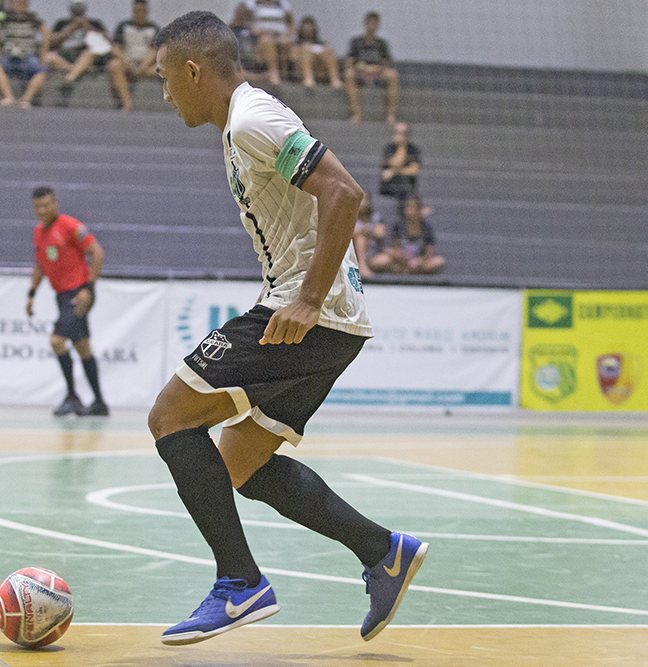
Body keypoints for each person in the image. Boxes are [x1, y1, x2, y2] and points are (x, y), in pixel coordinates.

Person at [151, 11, 427, 646]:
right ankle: (382, 550)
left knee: (171, 418)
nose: (166, 94)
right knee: (243, 462)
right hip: (334, 321)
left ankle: (239, 583)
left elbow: (345, 193)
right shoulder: (244, 122)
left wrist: (304, 300)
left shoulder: (252, 119)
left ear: (194, 72)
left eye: (167, 79)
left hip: (310, 316)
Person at [26, 186, 108, 417]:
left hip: (78, 295)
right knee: (82, 347)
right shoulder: (38, 232)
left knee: (57, 341)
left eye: (46, 205)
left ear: (55, 203)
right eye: (37, 207)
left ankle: (72, 397)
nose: (42, 210)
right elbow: (40, 265)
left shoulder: (70, 226)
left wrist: (88, 288)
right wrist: (31, 293)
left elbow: (97, 252)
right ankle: (99, 403)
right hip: (62, 296)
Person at [44, 1, 113, 107]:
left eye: (80, 12)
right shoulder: (61, 23)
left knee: (89, 53)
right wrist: (70, 29)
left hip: (87, 59)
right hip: (65, 57)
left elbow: (107, 41)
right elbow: (51, 42)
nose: (78, 15)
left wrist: (88, 27)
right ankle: (75, 72)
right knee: (48, 57)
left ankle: (68, 80)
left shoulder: (95, 23)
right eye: (75, 12)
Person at [0, 0, 49, 108]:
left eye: (23, 3)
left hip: (27, 57)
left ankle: (26, 99)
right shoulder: (5, 17)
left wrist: (43, 55)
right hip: (9, 56)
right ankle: (8, 97)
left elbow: (46, 31)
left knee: (42, 68)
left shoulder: (32, 18)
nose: (20, 5)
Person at [345, 11, 399, 124]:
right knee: (349, 74)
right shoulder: (356, 42)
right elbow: (350, 61)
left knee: (393, 74)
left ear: (378, 25)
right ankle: (356, 114)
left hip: (378, 71)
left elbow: (386, 62)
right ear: (364, 23)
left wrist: (376, 69)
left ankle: (391, 115)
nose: (371, 25)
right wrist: (362, 68)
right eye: (369, 22)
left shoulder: (382, 43)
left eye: (374, 23)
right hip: (360, 71)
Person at [108, 0, 160, 113]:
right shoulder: (123, 26)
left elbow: (154, 51)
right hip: (127, 63)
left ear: (147, 12)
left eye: (143, 11)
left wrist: (141, 67)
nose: (140, 14)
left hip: (147, 66)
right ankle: (127, 103)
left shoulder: (154, 28)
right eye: (137, 11)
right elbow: (115, 47)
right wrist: (125, 60)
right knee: (113, 65)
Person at [370, 197, 444, 275]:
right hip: (402, 260)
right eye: (407, 207)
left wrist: (419, 261)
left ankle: (413, 272)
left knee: (439, 261)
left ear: (419, 210)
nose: (410, 211)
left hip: (420, 262)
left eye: (413, 207)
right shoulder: (399, 226)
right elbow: (395, 248)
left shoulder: (427, 228)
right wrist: (404, 259)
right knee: (380, 260)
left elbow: (429, 253)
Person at [244, 0, 293, 86]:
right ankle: (273, 73)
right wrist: (266, 32)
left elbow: (290, 23)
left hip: (280, 35)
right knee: (267, 40)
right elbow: (249, 23)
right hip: (260, 36)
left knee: (284, 41)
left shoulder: (282, 3)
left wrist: (287, 34)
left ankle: (284, 75)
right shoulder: (252, 3)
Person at [291, 15, 340, 90]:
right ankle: (308, 79)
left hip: (320, 68)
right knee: (306, 51)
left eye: (310, 30)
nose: (308, 32)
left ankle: (335, 80)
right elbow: (293, 58)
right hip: (301, 70)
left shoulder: (321, 44)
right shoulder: (296, 45)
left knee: (329, 51)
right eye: (306, 30)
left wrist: (316, 53)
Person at [379, 122, 420, 207]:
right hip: (388, 190)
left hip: (407, 190)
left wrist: (393, 172)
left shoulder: (413, 149)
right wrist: (401, 146)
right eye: (398, 133)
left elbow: (414, 170)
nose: (400, 136)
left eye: (403, 133)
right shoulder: (389, 148)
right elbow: (395, 163)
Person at [352, 192, 385, 278]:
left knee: (385, 259)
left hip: (373, 256)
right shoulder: (351, 217)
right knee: (361, 238)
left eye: (365, 199)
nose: (363, 203)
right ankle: (362, 266)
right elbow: (347, 235)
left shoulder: (376, 217)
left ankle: (365, 266)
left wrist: (362, 230)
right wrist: (366, 231)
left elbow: (380, 233)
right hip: (355, 257)